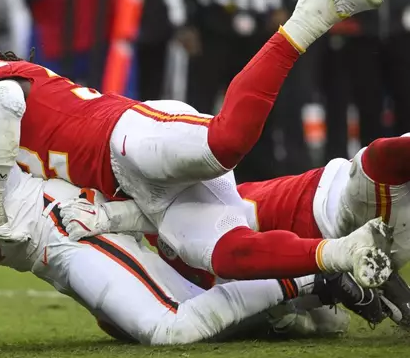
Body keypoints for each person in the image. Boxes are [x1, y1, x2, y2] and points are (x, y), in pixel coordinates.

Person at [0, 51, 381, 356]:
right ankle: (303, 295)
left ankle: (311, 281)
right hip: (42, 259)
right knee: (175, 314)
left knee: (171, 328)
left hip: (65, 227)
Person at [0, 0, 388, 286]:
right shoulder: (1, 147)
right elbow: (36, 207)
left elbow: (3, 107)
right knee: (228, 256)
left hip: (126, 137)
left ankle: (306, 18)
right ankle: (343, 253)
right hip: (136, 194)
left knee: (224, 145)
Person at [59, 135, 410, 329]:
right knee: (319, 322)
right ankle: (318, 284)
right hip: (316, 234)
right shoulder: (166, 244)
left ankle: (317, 285)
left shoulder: (183, 209)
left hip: (310, 211)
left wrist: (108, 216)